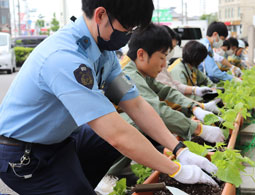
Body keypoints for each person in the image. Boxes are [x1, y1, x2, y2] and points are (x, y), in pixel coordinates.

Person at [0, 1, 218, 194]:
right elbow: (116, 135)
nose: (128, 36)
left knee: (131, 126)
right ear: (101, 15)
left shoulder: (103, 52)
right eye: (126, 28)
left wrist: (180, 151)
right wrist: (176, 170)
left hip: (61, 140)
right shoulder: (64, 58)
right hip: (23, 154)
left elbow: (135, 104)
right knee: (113, 140)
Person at [122, 23, 224, 142]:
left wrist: (195, 106)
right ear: (141, 55)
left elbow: (165, 90)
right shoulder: (129, 74)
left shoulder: (140, 71)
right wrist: (199, 129)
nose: (164, 64)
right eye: (162, 57)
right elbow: (156, 110)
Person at [156, 25, 215, 100]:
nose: (170, 51)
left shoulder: (192, 68)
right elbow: (177, 95)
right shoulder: (178, 70)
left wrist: (210, 89)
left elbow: (176, 85)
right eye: (171, 48)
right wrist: (199, 103)